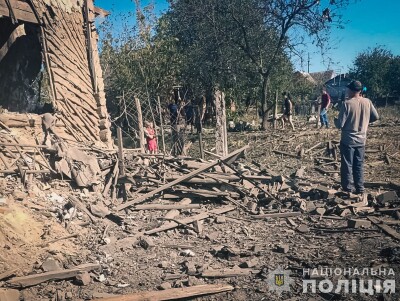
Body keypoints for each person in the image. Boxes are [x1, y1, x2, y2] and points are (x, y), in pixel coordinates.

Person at [334, 80, 379, 195]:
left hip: (348, 140)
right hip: (361, 140)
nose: (347, 90)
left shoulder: (347, 104)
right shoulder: (367, 102)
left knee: (347, 165)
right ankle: (360, 188)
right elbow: (376, 117)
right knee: (359, 165)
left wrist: (335, 120)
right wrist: (365, 120)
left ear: (352, 90)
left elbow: (340, 124)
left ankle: (348, 189)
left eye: (348, 89)